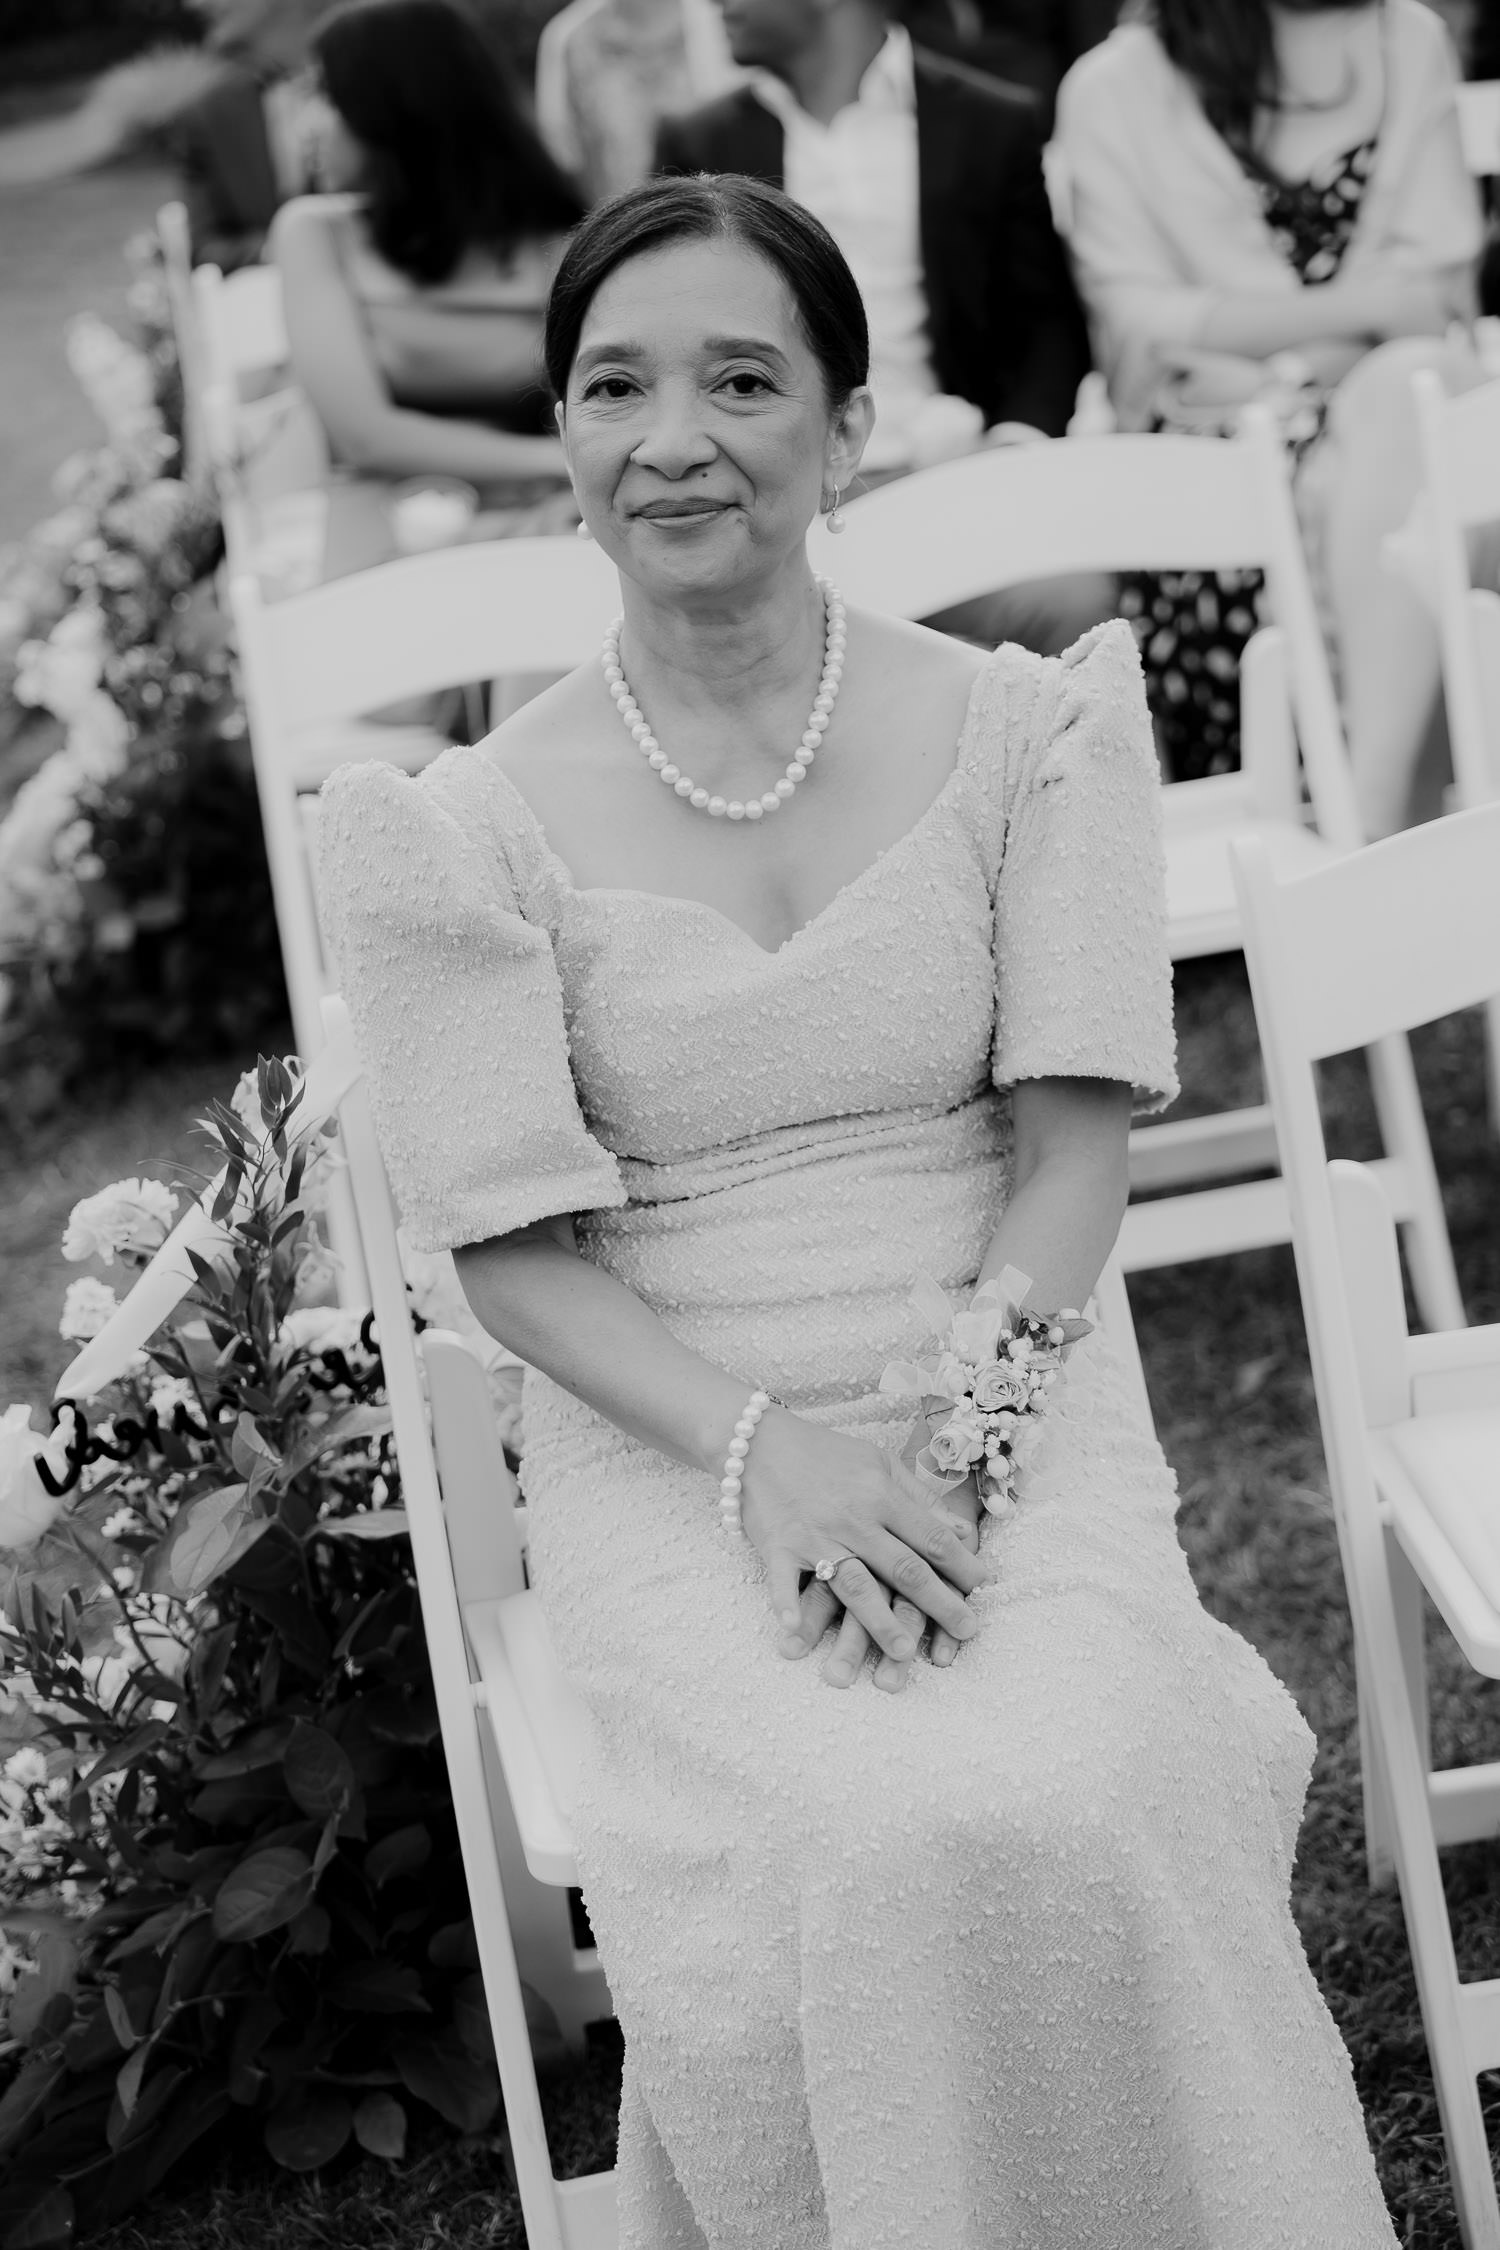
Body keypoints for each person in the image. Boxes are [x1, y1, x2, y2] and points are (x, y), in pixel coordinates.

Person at [317, 173, 1403, 2248]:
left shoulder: (1034, 729)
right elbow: (513, 1258)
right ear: (561, 437)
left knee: (1091, 1777)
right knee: (867, 1819)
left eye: (743, 379)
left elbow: (1075, 1152)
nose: (675, 437)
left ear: (848, 423)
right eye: (615, 386)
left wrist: (964, 1446)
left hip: (1001, 1351)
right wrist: (771, 1465)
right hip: (669, 1419)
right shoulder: (451, 833)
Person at [1054, 0, 1485, 830]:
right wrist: (1366, 316)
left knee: (1409, 398)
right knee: (1400, 436)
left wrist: (1274, 361)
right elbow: (1141, 331)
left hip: (1388, 426)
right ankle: (1386, 836)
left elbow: (1438, 298)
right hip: (1215, 468)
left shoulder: (1409, 37)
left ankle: (1367, 827)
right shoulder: (1113, 87)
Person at [655, 0, 1104, 655]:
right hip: (777, 502)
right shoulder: (698, 141)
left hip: (952, 482)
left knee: (1079, 606)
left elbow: (1046, 329)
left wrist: (1006, 455)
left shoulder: (991, 119)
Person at [269, 0, 584, 503]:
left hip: (550, 522)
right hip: (389, 534)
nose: (307, 124)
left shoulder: (566, 243)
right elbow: (365, 437)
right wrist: (571, 464)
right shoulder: (313, 233)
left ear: (394, 106)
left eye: (327, 94)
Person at [535, 0, 742, 203]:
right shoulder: (571, 40)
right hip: (619, 231)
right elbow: (566, 169)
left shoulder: (725, 23)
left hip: (720, 225)